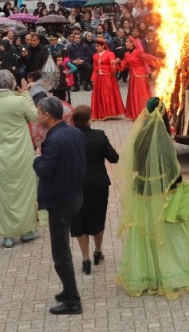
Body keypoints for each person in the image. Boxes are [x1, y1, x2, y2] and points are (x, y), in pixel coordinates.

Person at [117, 97, 189, 298]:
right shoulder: (165, 140)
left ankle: (148, 274)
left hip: (142, 191)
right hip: (165, 193)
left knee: (146, 232)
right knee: (169, 233)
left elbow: (133, 166)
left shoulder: (139, 137)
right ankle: (174, 274)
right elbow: (171, 170)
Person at [33, 97, 87, 315]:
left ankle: (72, 300)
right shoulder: (74, 132)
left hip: (60, 201)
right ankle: (67, 290)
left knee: (61, 253)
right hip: (75, 195)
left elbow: (45, 170)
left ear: (47, 115)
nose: (37, 117)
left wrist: (37, 158)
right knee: (62, 249)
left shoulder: (54, 140)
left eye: (38, 113)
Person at [0, 70, 40, 247]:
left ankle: (6, 234)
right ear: (12, 82)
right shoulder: (19, 101)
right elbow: (35, 116)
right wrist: (26, 94)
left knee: (2, 191)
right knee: (24, 189)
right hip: (21, 151)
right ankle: (26, 230)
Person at [70, 104, 119, 275]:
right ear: (89, 119)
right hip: (98, 183)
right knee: (98, 217)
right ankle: (98, 250)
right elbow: (114, 158)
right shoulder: (99, 136)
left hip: (76, 185)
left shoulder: (69, 138)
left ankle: (85, 258)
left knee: (79, 220)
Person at [119, 37, 159, 121]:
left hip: (140, 76)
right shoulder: (127, 53)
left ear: (132, 43)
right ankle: (135, 113)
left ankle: (144, 114)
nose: (125, 43)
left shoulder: (138, 52)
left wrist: (159, 62)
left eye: (127, 42)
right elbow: (124, 65)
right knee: (134, 95)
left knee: (141, 95)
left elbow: (147, 58)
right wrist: (117, 62)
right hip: (134, 76)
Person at [90, 38, 126, 120]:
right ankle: (101, 114)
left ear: (103, 46)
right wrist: (93, 79)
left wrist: (113, 66)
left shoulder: (110, 54)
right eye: (96, 46)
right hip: (99, 77)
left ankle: (109, 113)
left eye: (98, 46)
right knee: (99, 95)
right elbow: (95, 68)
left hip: (108, 77)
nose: (97, 48)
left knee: (107, 94)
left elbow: (113, 67)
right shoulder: (95, 56)